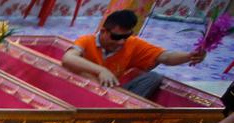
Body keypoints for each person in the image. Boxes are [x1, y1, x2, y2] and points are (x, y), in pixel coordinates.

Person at [61, 10, 205, 98]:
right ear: (104, 31)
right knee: (83, 73)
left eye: (126, 37)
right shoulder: (87, 41)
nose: (121, 42)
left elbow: (166, 57)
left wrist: (189, 56)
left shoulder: (133, 44)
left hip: (113, 94)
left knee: (153, 77)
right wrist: (101, 71)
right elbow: (68, 58)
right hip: (83, 90)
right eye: (117, 37)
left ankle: (124, 111)